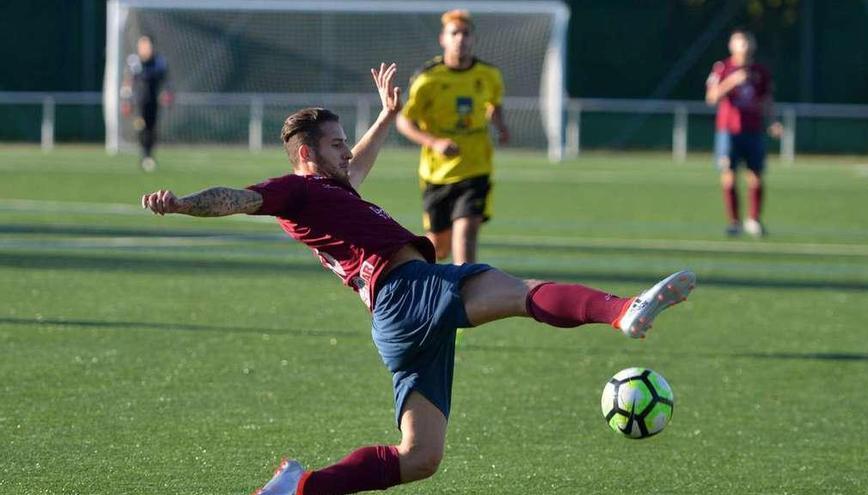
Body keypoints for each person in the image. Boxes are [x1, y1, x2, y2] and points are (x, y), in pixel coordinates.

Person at [141, 63, 696, 495]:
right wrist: (182, 204)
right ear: (306, 155)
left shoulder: (332, 190)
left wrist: (387, 114)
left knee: (420, 458)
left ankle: (303, 486)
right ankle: (623, 309)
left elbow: (359, 164)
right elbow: (236, 199)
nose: (347, 149)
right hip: (406, 291)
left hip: (396, 317)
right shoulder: (298, 189)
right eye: (337, 143)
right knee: (518, 292)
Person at [396, 9, 510, 264]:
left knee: (466, 234)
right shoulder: (428, 78)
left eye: (466, 33)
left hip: (476, 166)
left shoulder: (489, 75)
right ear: (443, 39)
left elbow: (495, 103)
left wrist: (500, 125)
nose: (461, 38)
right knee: (439, 249)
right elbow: (404, 120)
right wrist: (434, 142)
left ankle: (465, 298)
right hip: (437, 173)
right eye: (454, 33)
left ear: (474, 39)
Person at [705, 28, 782, 237]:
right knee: (729, 175)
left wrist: (773, 121)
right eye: (739, 41)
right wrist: (732, 81)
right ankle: (734, 222)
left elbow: (766, 100)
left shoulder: (760, 71)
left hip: (753, 129)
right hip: (728, 130)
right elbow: (711, 97)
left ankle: (754, 220)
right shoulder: (722, 68)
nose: (744, 45)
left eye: (747, 41)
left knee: (755, 175)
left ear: (753, 44)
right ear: (731, 45)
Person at [121, 35, 172, 172]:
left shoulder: (159, 61)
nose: (145, 48)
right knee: (141, 127)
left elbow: (165, 81)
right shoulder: (134, 62)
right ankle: (144, 156)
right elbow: (128, 81)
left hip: (153, 101)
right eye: (142, 45)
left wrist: (167, 93)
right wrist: (126, 100)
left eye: (147, 45)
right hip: (138, 102)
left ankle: (149, 155)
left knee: (151, 129)